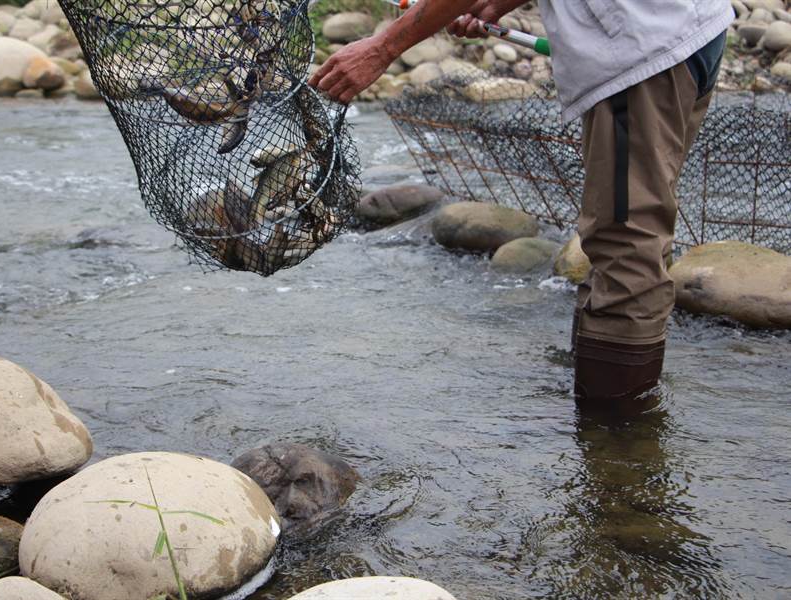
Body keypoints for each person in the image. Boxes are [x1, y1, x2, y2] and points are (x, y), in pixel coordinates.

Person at [310, 0, 733, 414]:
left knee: (626, 247)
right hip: (683, 32)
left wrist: (382, 47)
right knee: (630, 239)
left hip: (645, 50)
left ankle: (619, 449)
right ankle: (613, 420)